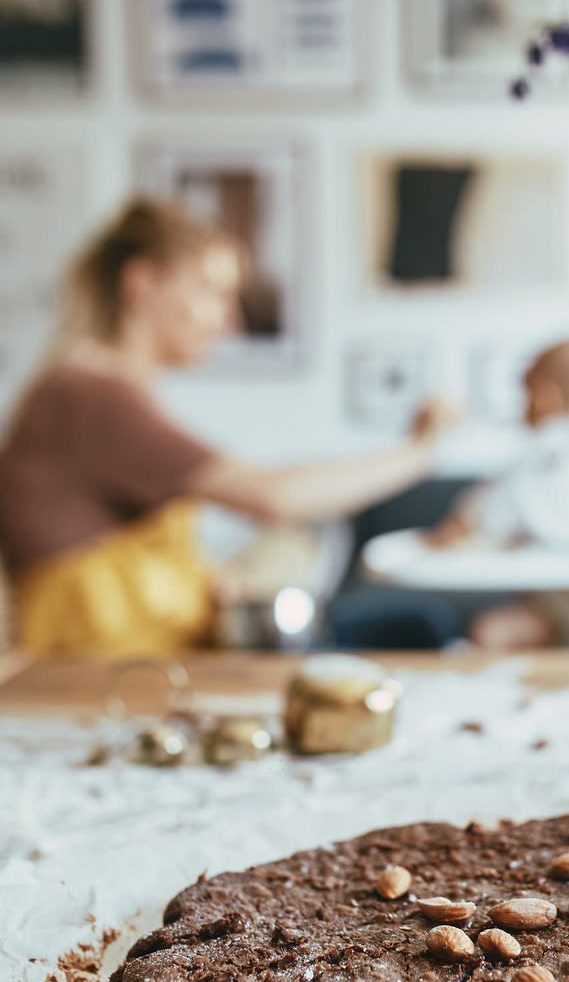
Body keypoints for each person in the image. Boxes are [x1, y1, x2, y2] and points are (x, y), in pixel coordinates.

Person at [0, 197, 454, 656]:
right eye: (211, 290)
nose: (230, 318)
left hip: (149, 658)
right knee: (420, 628)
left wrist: (217, 579)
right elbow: (276, 498)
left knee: (410, 624)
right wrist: (419, 452)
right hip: (111, 676)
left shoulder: (87, 387)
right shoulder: (90, 396)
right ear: (144, 283)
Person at [428, 340, 569, 649]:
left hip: (566, 608)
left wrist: (453, 529)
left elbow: (480, 516)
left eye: (526, 396)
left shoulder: (544, 461)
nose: (522, 408)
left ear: (546, 397)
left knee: (489, 632)